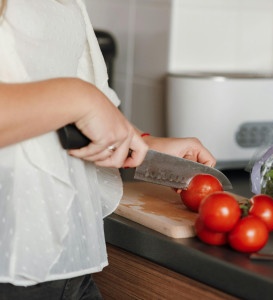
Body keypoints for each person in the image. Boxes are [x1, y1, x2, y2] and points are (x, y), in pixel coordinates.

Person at [0, 0, 216, 299]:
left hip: (66, 262)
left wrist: (136, 140)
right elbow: (71, 101)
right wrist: (81, 99)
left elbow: (38, 91)